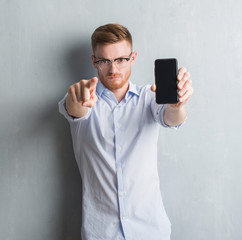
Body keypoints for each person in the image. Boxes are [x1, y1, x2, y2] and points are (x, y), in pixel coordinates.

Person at [58, 23, 193, 240]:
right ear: (94, 61)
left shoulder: (150, 96)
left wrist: (177, 105)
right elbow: (75, 109)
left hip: (151, 232)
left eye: (121, 59)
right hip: (101, 234)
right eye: (105, 61)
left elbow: (171, 118)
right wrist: (79, 100)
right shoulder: (84, 97)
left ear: (133, 58)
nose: (113, 69)